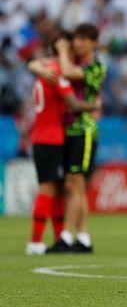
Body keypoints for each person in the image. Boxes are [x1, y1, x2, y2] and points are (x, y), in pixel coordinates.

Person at [25, 32, 98, 255]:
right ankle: (36, 241)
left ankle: (59, 237)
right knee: (49, 186)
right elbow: (73, 103)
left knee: (57, 187)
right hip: (51, 137)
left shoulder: (44, 70)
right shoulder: (57, 73)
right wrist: (93, 104)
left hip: (45, 135)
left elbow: (33, 64)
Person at [45, 23, 106, 253]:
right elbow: (41, 65)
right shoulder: (72, 61)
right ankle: (84, 237)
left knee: (75, 183)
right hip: (68, 130)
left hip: (85, 129)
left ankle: (67, 236)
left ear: (93, 42)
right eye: (75, 39)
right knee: (74, 186)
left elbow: (67, 73)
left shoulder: (97, 66)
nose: (77, 43)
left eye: (82, 39)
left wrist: (61, 52)